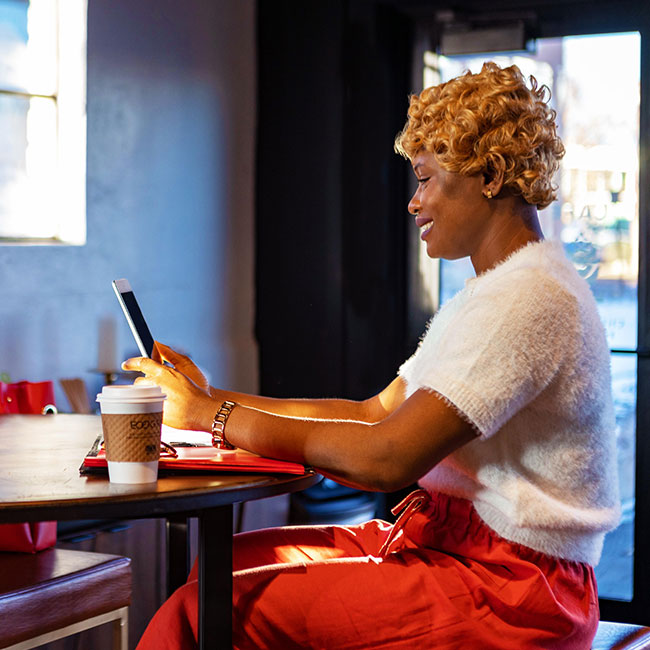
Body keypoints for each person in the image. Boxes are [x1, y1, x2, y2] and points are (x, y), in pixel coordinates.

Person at [128, 62, 620, 649]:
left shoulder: (529, 299)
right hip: (457, 551)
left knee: (200, 609)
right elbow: (372, 413)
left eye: (425, 179)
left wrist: (213, 419)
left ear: (488, 176)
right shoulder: (499, 292)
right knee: (216, 570)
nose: (414, 203)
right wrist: (209, 398)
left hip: (510, 592)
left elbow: (386, 458)